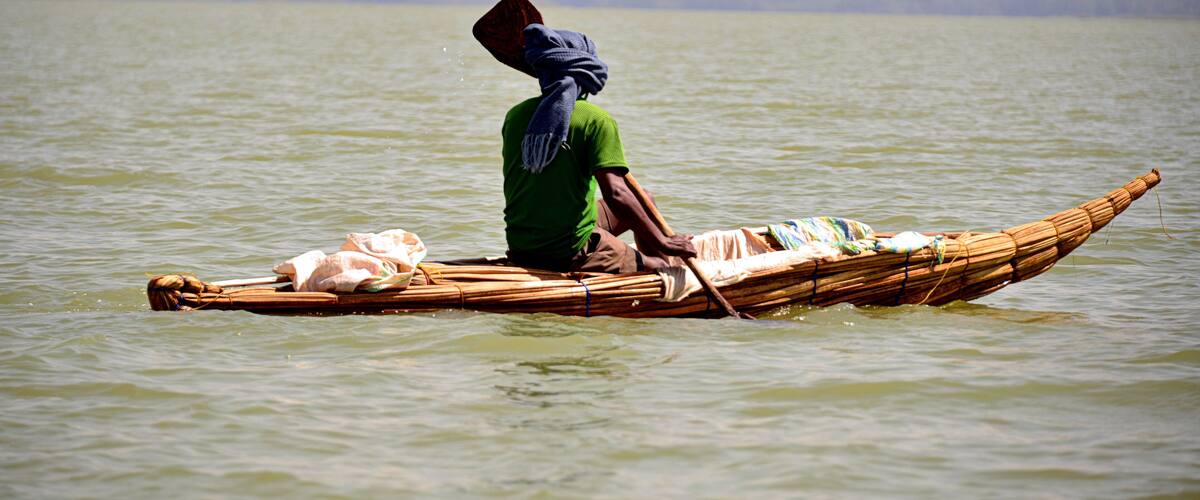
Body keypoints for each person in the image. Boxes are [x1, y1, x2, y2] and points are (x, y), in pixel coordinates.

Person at [502, 24, 696, 273]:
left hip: (520, 245)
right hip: (569, 251)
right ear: (586, 72)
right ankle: (661, 275)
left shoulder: (515, 116)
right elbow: (616, 194)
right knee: (659, 265)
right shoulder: (596, 120)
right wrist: (663, 242)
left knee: (644, 199)